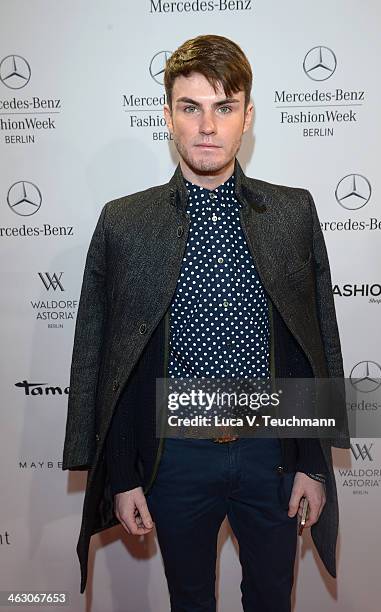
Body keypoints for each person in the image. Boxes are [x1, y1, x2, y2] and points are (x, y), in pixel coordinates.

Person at [62, 34, 350, 611]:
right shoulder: (125, 221)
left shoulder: (292, 211)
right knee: (188, 602)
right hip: (174, 460)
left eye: (224, 107)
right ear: (168, 115)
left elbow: (315, 343)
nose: (207, 126)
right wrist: (123, 475)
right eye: (190, 107)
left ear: (248, 116)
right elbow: (110, 357)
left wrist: (314, 465)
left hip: (273, 454)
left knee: (272, 600)